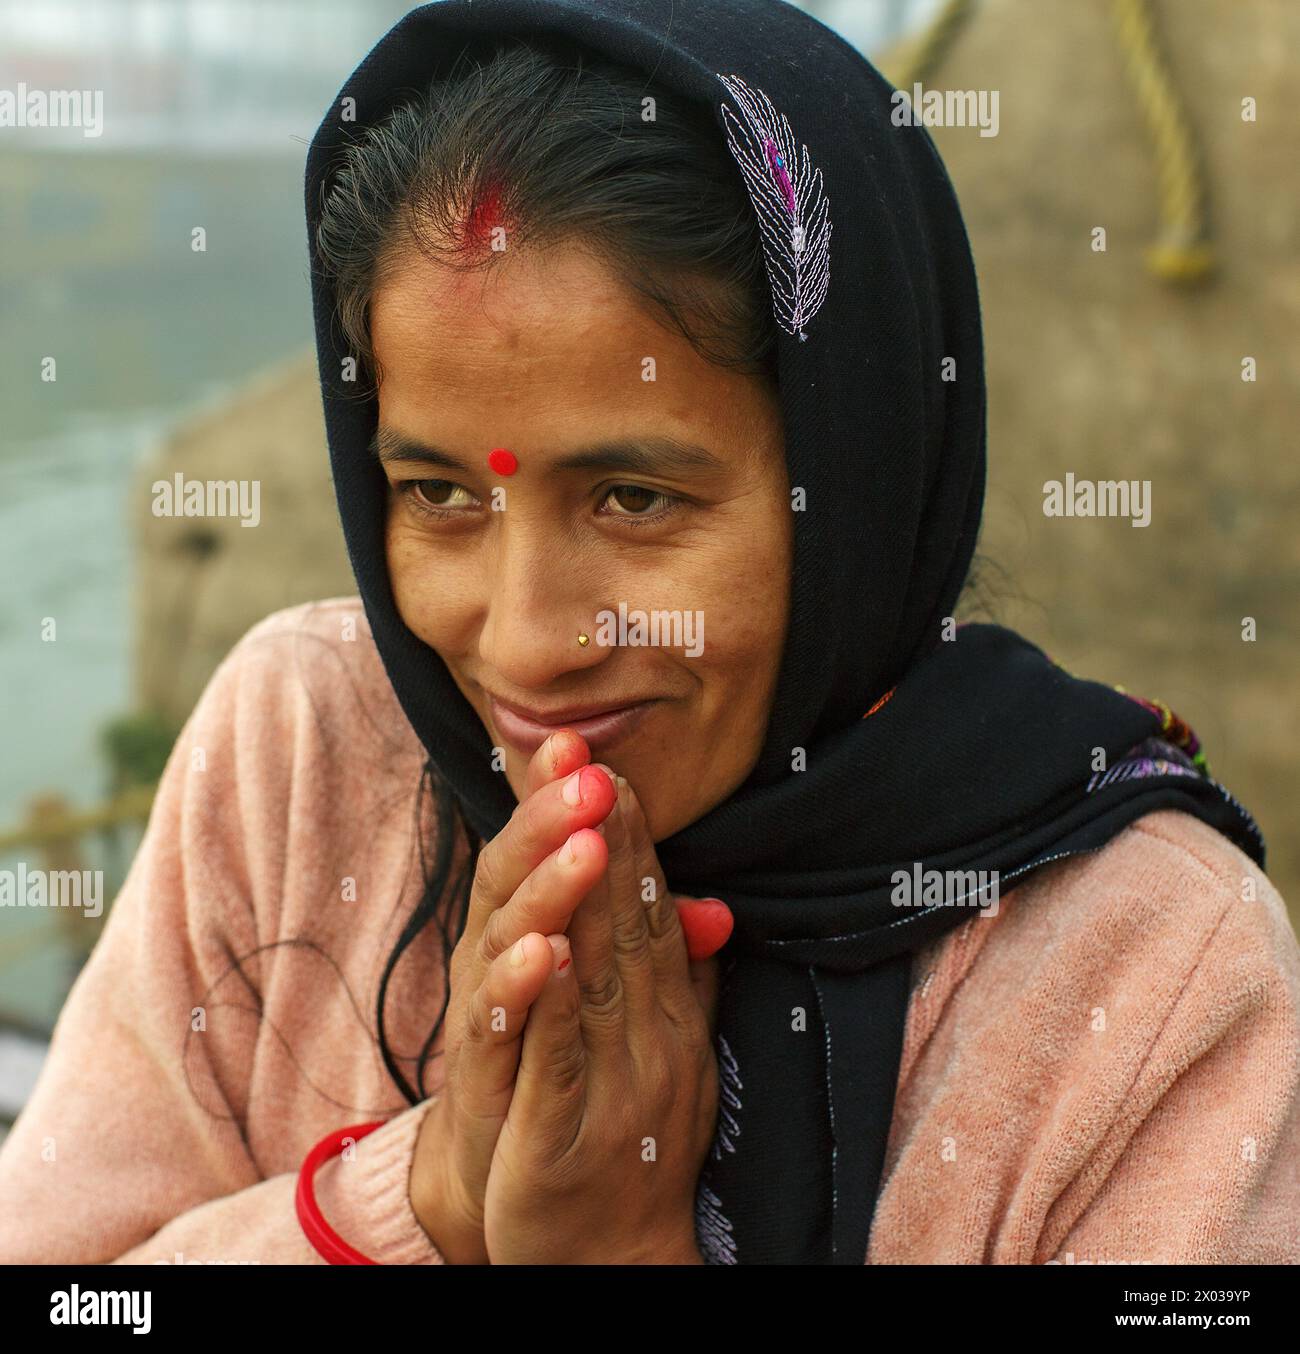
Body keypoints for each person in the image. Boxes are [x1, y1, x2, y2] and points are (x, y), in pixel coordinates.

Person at [1, 0, 1296, 1266]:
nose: (524, 642)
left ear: (855, 478)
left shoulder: (1156, 976)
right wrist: (433, 1193)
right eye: (441, 494)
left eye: (634, 498)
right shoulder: (303, 750)